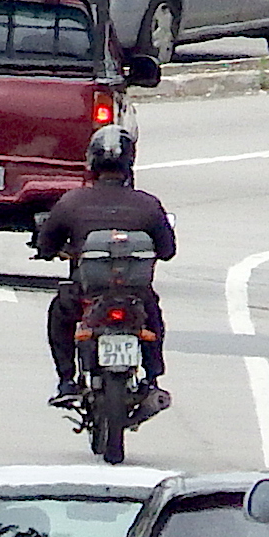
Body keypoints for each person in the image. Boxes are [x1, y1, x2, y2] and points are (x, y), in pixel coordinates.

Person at [33, 124, 175, 407]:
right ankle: (152, 379)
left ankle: (67, 380)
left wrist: (54, 251)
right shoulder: (148, 205)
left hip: (85, 296)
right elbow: (168, 250)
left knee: (59, 314)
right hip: (137, 296)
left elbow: (46, 246)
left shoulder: (71, 202)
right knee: (153, 315)